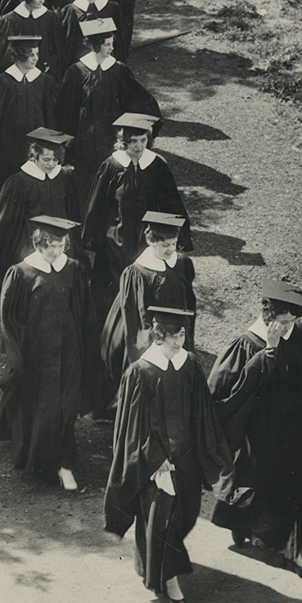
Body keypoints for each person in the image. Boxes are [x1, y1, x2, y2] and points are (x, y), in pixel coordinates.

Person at [104, 308, 233, 603]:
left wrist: (204, 451)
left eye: (183, 335)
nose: (179, 342)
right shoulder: (140, 372)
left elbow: (201, 413)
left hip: (186, 458)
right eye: (173, 336)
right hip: (156, 464)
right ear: (158, 336)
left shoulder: (190, 367)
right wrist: (154, 458)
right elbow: (131, 426)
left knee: (185, 516)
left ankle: (149, 566)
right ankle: (170, 581)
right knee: (162, 521)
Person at [208, 278, 302, 582]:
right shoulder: (246, 345)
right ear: (269, 318)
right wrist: (270, 351)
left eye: (293, 319)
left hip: (295, 425)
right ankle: (242, 527)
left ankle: (292, 551)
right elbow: (224, 393)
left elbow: (300, 379)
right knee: (259, 485)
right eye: (284, 321)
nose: (290, 325)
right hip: (258, 432)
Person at [0, 217, 96, 490]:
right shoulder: (21, 273)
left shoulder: (73, 269)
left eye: (60, 244)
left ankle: (65, 464)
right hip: (35, 353)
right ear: (38, 244)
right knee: (43, 408)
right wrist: (16, 358)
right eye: (49, 245)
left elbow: (84, 312)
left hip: (69, 350)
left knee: (67, 406)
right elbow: (9, 319)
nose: (55, 251)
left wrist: (89, 349)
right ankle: (39, 460)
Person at [0, 129, 85, 310]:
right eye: (46, 160)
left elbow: (72, 210)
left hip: (60, 238)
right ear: (34, 157)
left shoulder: (65, 177)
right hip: (30, 240)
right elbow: (4, 221)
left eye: (55, 160)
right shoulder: (19, 182)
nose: (51, 164)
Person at [83, 114, 191, 306]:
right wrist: (93, 236)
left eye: (143, 140)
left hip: (147, 235)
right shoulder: (112, 165)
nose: (139, 146)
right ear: (123, 141)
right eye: (133, 141)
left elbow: (171, 201)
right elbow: (97, 203)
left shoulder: (157, 165)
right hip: (116, 236)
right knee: (115, 281)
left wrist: (180, 232)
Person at [55, 20, 160, 201]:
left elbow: (137, 98)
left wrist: (148, 123)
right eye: (107, 44)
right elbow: (66, 108)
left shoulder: (118, 69)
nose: (112, 48)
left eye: (112, 43)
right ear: (96, 46)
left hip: (111, 135)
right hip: (85, 137)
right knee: (86, 181)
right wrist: (66, 140)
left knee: (112, 177)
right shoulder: (77, 71)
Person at [101, 212, 196, 400]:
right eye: (165, 245)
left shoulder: (182, 262)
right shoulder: (138, 272)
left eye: (173, 244)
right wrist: (149, 343)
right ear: (151, 241)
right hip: (150, 331)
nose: (170, 250)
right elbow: (138, 315)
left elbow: (189, 299)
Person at [0, 38, 59, 218]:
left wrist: (51, 142)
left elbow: (49, 115)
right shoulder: (2, 82)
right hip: (6, 147)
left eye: (37, 54)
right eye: (31, 54)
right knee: (4, 188)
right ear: (19, 55)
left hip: (33, 146)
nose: (35, 58)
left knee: (33, 187)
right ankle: (0, 234)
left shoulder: (43, 81)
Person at [0, 0, 63, 89]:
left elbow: (57, 48)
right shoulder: (9, 20)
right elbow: (0, 54)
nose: (42, 0)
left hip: (45, 73)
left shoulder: (51, 18)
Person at [60, 0, 131, 62]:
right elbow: (68, 43)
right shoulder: (72, 10)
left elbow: (119, 40)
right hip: (80, 60)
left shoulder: (112, 8)